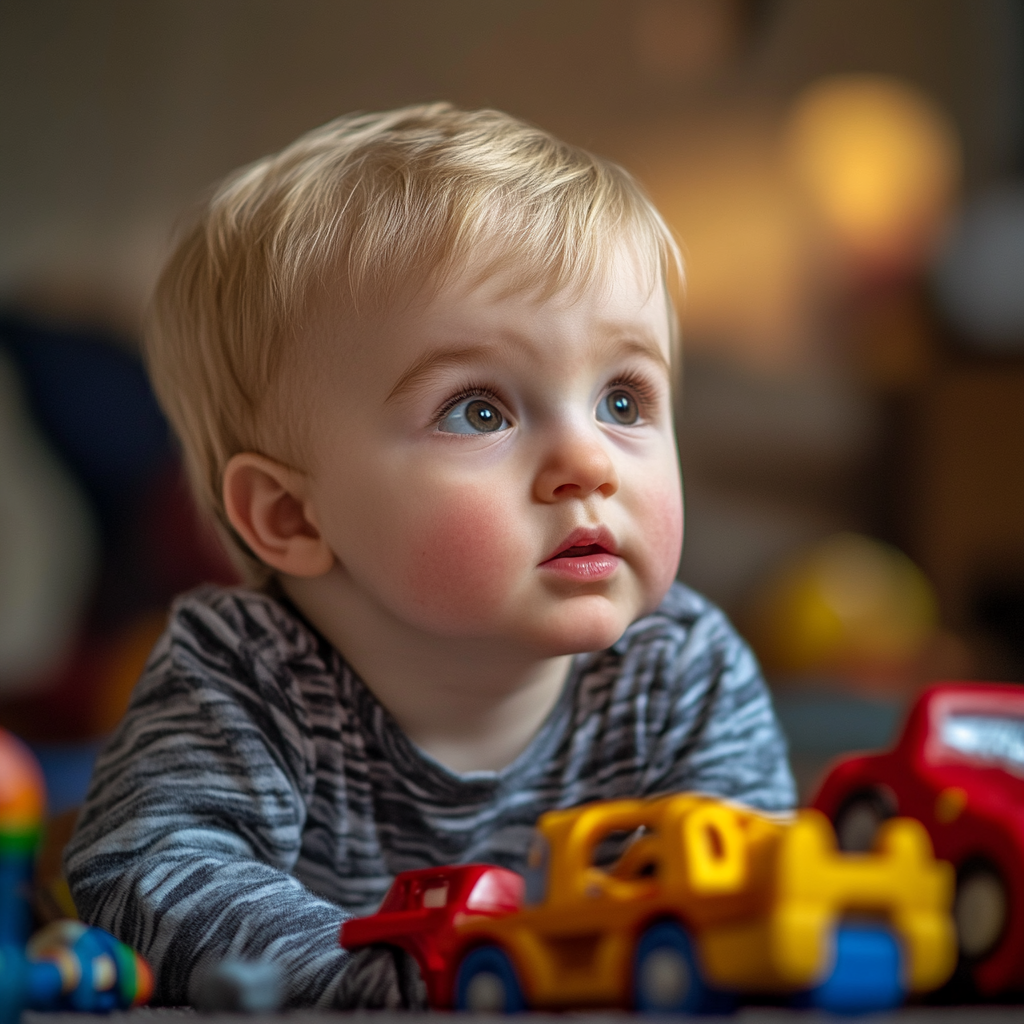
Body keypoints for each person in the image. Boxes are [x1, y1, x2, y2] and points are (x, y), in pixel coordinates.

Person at [64, 103, 795, 1009]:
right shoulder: (245, 673)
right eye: (479, 410)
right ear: (293, 515)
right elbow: (144, 866)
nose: (589, 463)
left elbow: (754, 898)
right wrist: (359, 976)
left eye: (623, 400)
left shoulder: (680, 671)